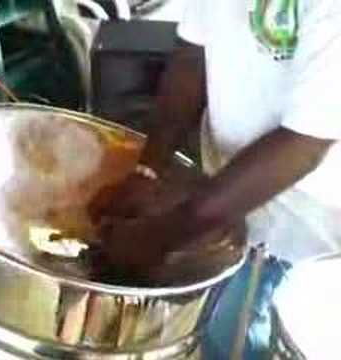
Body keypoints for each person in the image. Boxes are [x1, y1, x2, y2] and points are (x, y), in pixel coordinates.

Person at [90, 1, 341, 358]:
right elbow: (192, 58)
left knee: (247, 341)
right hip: (225, 202)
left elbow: (304, 144)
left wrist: (164, 234)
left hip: (306, 232)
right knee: (215, 333)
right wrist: (147, 171)